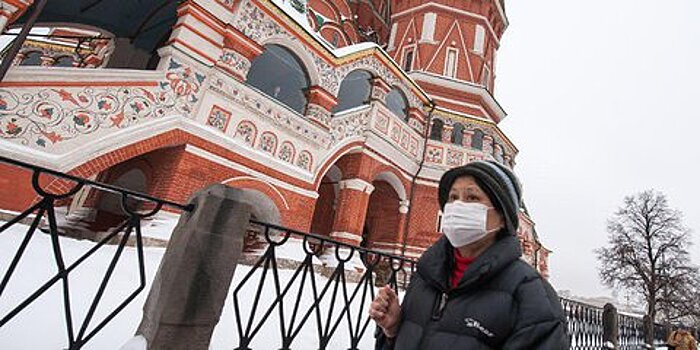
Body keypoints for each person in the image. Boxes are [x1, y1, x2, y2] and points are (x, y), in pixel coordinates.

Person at [369, 160, 569, 349]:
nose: (457, 207)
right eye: (453, 198)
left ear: (502, 218)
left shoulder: (533, 297)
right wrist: (393, 331)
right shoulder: (426, 276)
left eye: (472, 198)